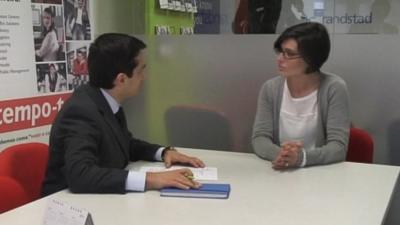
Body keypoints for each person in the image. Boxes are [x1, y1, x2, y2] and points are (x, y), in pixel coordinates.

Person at [42, 33, 205, 196]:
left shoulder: (105, 100)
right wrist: (152, 179)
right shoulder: (81, 111)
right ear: (121, 79)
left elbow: (124, 144)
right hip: (67, 209)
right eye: (141, 70)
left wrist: (163, 153)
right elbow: (81, 175)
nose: (145, 77)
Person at [252, 22, 350, 170]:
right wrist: (283, 155)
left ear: (311, 58)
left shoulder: (334, 88)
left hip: (319, 174)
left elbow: (338, 147)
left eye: (289, 54)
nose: (280, 58)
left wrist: (301, 158)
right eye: (280, 51)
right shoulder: (270, 88)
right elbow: (260, 138)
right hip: (279, 172)